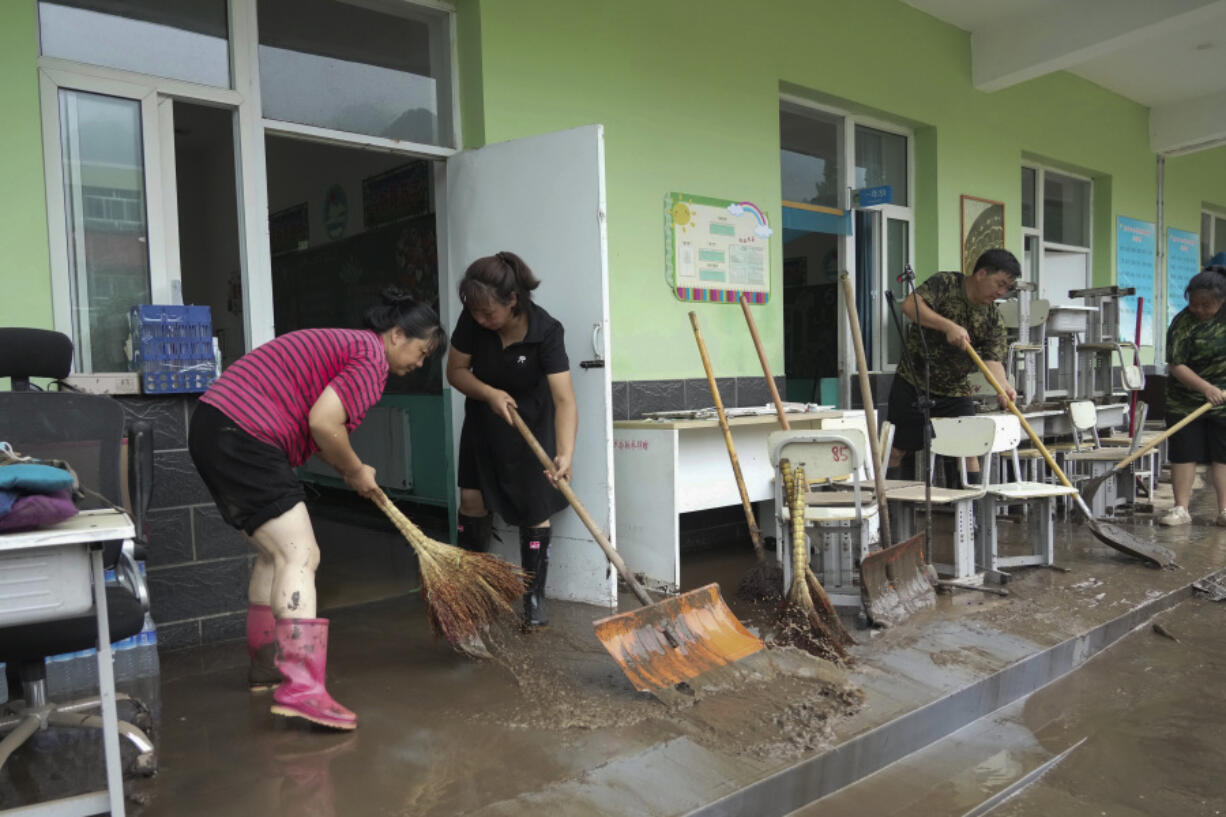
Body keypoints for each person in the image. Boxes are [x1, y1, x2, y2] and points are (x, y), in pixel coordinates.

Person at [188, 289, 447, 730]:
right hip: (245, 432)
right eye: (421, 353)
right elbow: (324, 423)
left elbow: (322, 430)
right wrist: (355, 469)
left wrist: (352, 471)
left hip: (217, 427)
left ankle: (267, 666)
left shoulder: (349, 347)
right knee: (301, 555)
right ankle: (302, 688)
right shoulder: (370, 357)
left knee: (275, 554)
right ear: (397, 335)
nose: (419, 365)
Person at [446, 251, 577, 629]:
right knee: (471, 500)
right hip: (484, 422)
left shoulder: (546, 331)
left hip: (530, 425)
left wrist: (565, 453)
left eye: (488, 313)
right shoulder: (474, 320)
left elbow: (565, 399)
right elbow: (455, 371)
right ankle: (472, 588)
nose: (480, 320)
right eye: (474, 313)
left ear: (512, 299)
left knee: (535, 507)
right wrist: (488, 392)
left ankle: (534, 596)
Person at [886, 248, 1020, 478]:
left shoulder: (993, 318)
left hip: (955, 390)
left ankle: (970, 511)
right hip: (914, 383)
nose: (1001, 292)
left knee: (969, 452)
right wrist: (947, 326)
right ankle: (886, 508)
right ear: (981, 274)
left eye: (1007, 287)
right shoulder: (946, 283)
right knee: (897, 449)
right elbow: (909, 306)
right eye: (999, 283)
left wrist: (1003, 387)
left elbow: (992, 359)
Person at [1159, 264, 1226, 526]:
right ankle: (1180, 509)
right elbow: (1176, 364)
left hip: (1224, 402)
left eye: (1206, 305)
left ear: (1221, 301)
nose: (1199, 309)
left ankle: (1224, 511)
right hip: (1184, 400)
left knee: (1223, 455)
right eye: (1194, 303)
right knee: (1184, 453)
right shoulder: (1183, 322)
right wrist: (1205, 388)